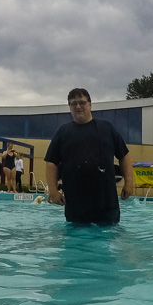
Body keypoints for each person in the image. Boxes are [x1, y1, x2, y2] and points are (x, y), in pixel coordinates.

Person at [44, 88, 134, 225]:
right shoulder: (63, 132)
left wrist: (129, 182)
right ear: (69, 107)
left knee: (107, 240)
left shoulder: (107, 128)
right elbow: (51, 162)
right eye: (73, 104)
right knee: (76, 243)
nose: (78, 106)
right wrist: (53, 190)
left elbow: (124, 155)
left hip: (107, 205)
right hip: (76, 207)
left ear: (90, 105)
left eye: (82, 102)